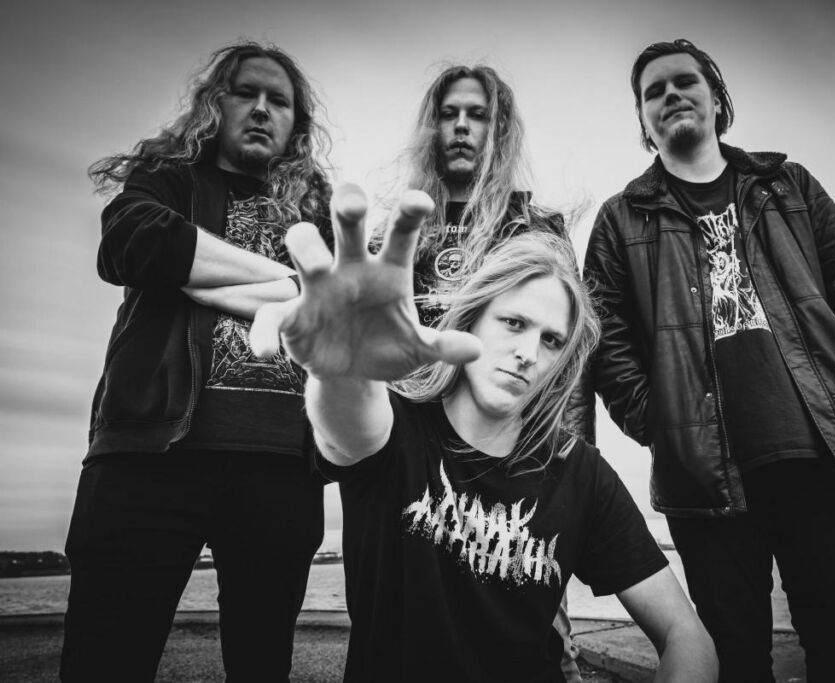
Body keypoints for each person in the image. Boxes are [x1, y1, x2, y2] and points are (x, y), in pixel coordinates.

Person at [249, 187, 718, 682]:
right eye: (513, 323)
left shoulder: (579, 473)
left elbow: (687, 635)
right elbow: (350, 425)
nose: (528, 353)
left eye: (551, 340)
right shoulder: (397, 429)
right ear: (470, 318)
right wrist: (341, 370)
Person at [584, 38, 835, 682]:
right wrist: (658, 424)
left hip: (823, 460)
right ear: (642, 117)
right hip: (703, 480)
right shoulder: (621, 219)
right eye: (653, 91)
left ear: (715, 97)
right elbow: (604, 338)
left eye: (685, 81)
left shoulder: (789, 185)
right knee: (735, 657)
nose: (671, 95)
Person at [61, 41, 332, 682]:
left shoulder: (316, 213)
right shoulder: (170, 177)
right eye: (246, 93)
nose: (261, 109)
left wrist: (197, 275)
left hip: (282, 469)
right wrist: (291, 284)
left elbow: (338, 309)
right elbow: (133, 241)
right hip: (151, 456)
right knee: (105, 662)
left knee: (262, 666)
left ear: (296, 123)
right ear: (216, 103)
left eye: (279, 101)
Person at [380, 63, 591, 679]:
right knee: (410, 629)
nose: (462, 127)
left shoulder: (537, 228)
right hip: (414, 459)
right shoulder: (402, 229)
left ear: (500, 132)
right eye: (449, 114)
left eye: (478, 116)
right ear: (431, 127)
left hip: (511, 458)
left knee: (534, 632)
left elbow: (566, 358)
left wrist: (563, 464)